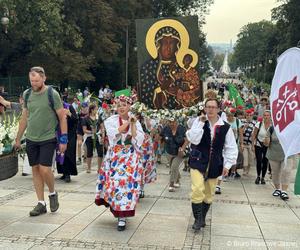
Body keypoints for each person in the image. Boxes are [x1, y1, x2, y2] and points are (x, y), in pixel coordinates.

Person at [15, 66, 67, 216]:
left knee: (45, 169)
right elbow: (24, 118)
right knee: (35, 169)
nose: (34, 83)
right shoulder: (27, 94)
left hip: (48, 137)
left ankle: (52, 193)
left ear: (44, 78)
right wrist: (18, 138)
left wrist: (63, 139)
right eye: (31, 80)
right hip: (31, 138)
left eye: (37, 80)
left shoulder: (52, 94)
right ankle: (41, 203)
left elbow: (62, 116)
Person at [181, 98, 238, 231]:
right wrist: (200, 124)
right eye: (208, 107)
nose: (211, 109)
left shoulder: (225, 127)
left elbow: (231, 147)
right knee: (197, 189)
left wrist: (228, 165)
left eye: (213, 107)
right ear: (205, 108)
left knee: (209, 194)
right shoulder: (199, 121)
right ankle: (197, 220)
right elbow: (193, 139)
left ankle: (202, 218)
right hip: (198, 161)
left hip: (215, 163)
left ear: (218, 109)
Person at [95, 89, 144, 231]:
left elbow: (137, 138)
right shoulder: (110, 120)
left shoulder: (135, 121)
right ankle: (118, 209)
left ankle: (122, 216)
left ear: (129, 106)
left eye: (125, 104)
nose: (122, 107)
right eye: (119, 105)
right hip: (115, 157)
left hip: (130, 158)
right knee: (115, 183)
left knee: (126, 184)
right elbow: (117, 131)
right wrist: (128, 121)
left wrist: (134, 123)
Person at [265, 127, 295, 200]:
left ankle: (284, 191)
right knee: (275, 172)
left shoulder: (292, 127)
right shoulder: (272, 128)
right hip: (274, 154)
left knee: (286, 171)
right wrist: (266, 140)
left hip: (288, 154)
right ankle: (277, 189)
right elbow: (266, 143)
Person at [160, 116, 186, 192]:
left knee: (173, 168)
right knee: (173, 167)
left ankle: (171, 184)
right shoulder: (165, 128)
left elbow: (187, 139)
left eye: (173, 122)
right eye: (170, 122)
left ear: (176, 122)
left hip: (179, 152)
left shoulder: (182, 128)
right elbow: (160, 137)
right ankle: (177, 180)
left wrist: (183, 148)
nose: (172, 124)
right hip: (169, 151)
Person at [57, 102, 78, 182]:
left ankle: (68, 174)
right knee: (60, 153)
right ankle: (63, 172)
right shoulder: (55, 107)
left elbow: (75, 119)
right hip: (59, 133)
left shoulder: (69, 107)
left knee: (68, 153)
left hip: (70, 134)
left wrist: (69, 113)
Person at [82, 104, 105, 173]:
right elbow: (84, 130)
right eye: (96, 109)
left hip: (98, 136)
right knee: (89, 152)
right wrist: (91, 131)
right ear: (92, 110)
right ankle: (89, 167)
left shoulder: (99, 117)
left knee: (100, 152)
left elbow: (102, 127)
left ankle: (99, 168)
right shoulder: (86, 118)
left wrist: (103, 135)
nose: (97, 111)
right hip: (89, 137)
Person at [251, 110, 272, 185]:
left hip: (267, 146)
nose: (266, 117)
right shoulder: (259, 124)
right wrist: (253, 145)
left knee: (265, 161)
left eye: (267, 115)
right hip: (258, 144)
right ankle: (258, 176)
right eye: (265, 115)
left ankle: (263, 177)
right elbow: (254, 135)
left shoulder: (272, 126)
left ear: (270, 116)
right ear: (263, 116)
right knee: (259, 160)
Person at [241, 110, 256, 176]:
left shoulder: (255, 123)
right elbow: (240, 132)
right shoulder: (242, 122)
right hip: (244, 143)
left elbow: (255, 134)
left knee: (250, 158)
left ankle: (248, 170)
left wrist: (253, 145)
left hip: (251, 143)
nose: (249, 116)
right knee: (245, 157)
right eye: (247, 115)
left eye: (250, 115)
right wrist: (245, 127)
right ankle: (244, 170)